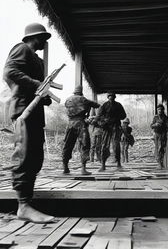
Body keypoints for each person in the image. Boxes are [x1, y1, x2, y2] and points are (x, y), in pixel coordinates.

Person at [3, 23, 54, 223]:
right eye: (43, 38)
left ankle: (27, 203)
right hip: (23, 111)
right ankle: (22, 205)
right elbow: (9, 72)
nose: (45, 42)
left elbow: (36, 87)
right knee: (24, 156)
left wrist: (44, 96)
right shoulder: (21, 48)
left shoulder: (38, 61)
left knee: (35, 157)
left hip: (35, 113)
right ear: (35, 37)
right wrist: (35, 84)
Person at [62, 86, 100, 175]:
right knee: (85, 144)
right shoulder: (83, 99)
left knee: (67, 145)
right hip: (80, 124)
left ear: (74, 92)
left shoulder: (68, 99)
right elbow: (97, 105)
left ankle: (65, 167)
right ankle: (83, 168)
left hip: (70, 124)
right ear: (81, 92)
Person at [95, 91, 126, 171]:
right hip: (107, 127)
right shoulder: (104, 105)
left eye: (112, 96)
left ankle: (118, 164)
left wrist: (116, 117)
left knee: (116, 145)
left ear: (114, 97)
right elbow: (99, 116)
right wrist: (103, 121)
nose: (111, 97)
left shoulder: (118, 105)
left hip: (115, 127)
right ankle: (103, 164)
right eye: (109, 96)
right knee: (104, 145)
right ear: (108, 97)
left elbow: (123, 116)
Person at [150, 104, 168, 169]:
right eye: (158, 109)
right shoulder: (155, 117)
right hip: (156, 134)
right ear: (157, 110)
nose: (160, 111)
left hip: (163, 134)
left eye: (161, 109)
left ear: (163, 110)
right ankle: (159, 163)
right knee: (158, 148)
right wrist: (155, 124)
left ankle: (161, 162)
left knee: (162, 148)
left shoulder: (165, 117)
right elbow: (151, 126)